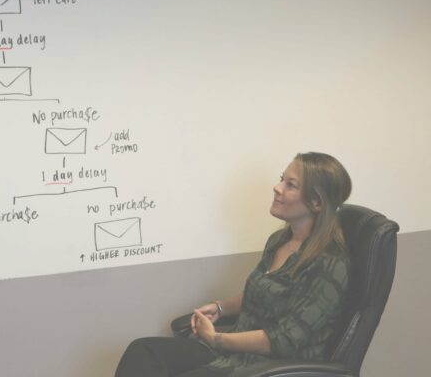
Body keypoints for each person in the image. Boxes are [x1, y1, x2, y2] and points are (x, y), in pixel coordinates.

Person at [115, 152, 352, 377]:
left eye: (290, 185)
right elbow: (259, 292)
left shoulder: (330, 264)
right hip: (233, 353)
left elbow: (282, 341)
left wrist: (216, 338)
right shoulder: (279, 240)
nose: (276, 188)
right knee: (144, 351)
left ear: (316, 203)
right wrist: (220, 308)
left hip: (269, 366)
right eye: (282, 179)